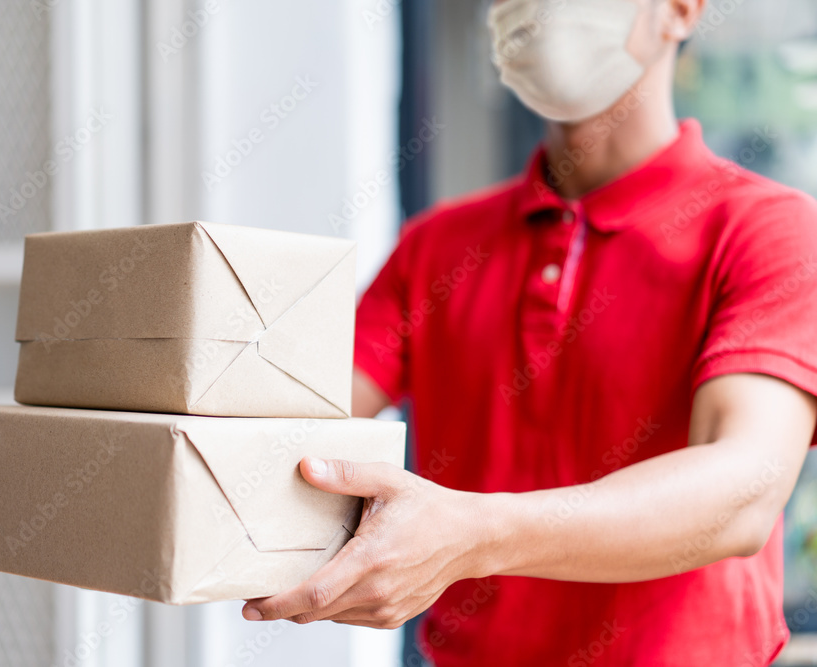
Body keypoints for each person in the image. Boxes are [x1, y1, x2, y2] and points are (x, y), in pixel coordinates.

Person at [242, 0, 817, 664]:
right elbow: (288, 422)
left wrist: (479, 532)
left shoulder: (769, 231)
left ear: (680, 10)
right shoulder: (436, 245)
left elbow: (741, 489)